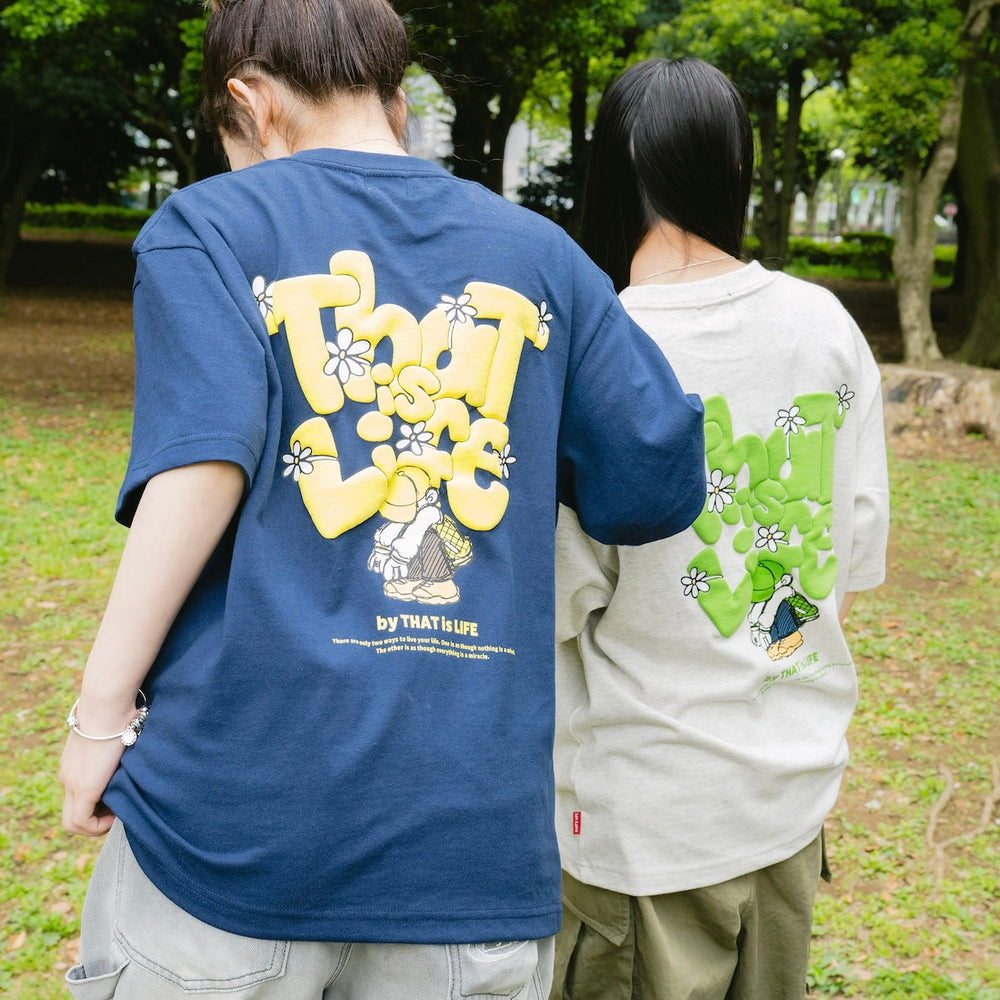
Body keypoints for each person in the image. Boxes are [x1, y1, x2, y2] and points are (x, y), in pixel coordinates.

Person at [57, 4, 707, 999]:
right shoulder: (543, 261)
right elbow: (652, 479)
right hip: (468, 849)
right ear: (394, 97)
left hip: (236, 835)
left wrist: (98, 720)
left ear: (249, 100)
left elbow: (201, 466)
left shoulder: (209, 227)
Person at [549, 58, 890, 1000]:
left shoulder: (598, 350)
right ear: (734, 168)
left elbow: (553, 602)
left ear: (608, 174)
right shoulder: (826, 326)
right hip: (788, 794)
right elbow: (849, 552)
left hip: (645, 820)